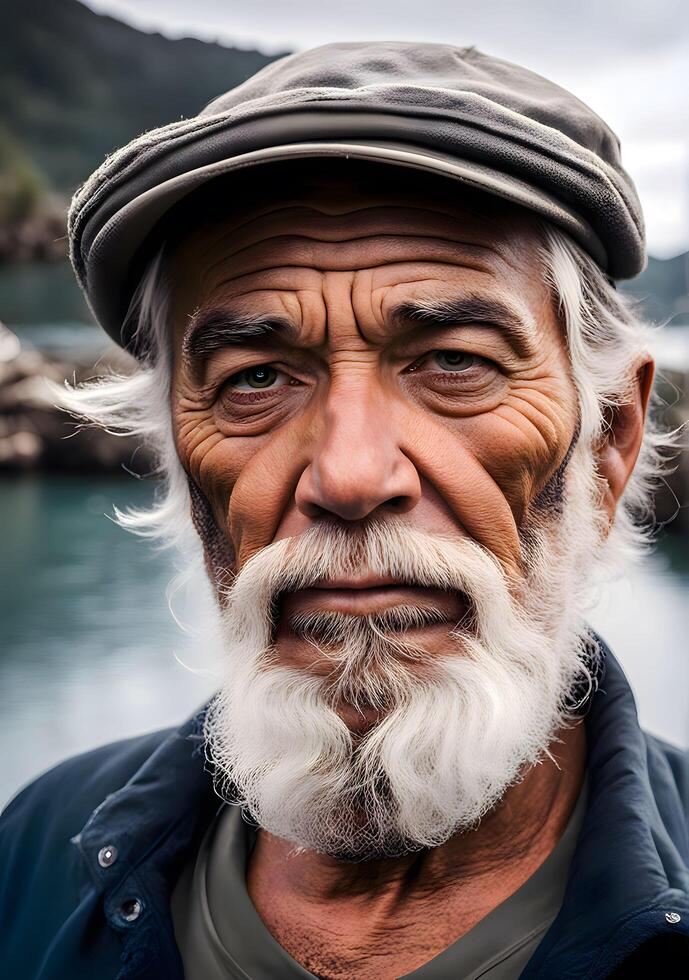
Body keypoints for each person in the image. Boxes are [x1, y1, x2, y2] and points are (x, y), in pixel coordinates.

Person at [1, 42, 688, 980]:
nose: (351, 476)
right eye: (255, 380)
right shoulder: (37, 854)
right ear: (178, 464)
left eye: (455, 363)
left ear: (607, 441)